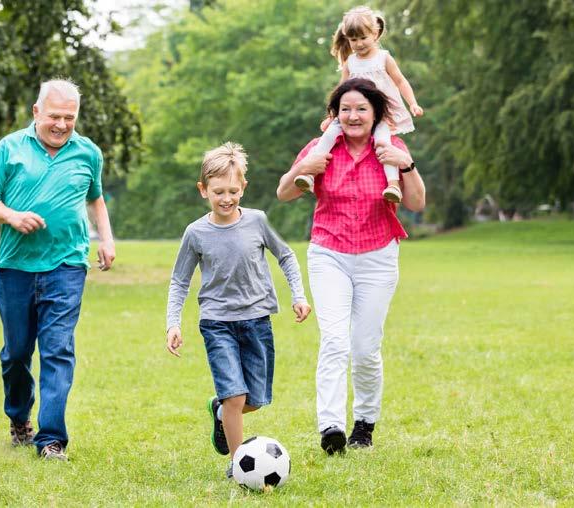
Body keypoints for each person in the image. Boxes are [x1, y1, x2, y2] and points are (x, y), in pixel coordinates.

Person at [277, 78, 425, 454]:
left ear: (375, 112)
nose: (353, 115)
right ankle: (330, 426)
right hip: (330, 254)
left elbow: (417, 203)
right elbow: (284, 192)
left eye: (361, 108)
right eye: (345, 109)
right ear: (335, 114)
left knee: (364, 348)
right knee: (334, 341)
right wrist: (306, 166)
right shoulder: (322, 148)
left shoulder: (391, 147)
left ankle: (364, 423)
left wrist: (406, 166)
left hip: (378, 257)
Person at [0, 78, 115, 461]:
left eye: (70, 117)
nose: (62, 124)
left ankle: (51, 439)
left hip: (67, 265)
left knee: (58, 350)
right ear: (37, 112)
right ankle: (19, 417)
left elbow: (96, 198)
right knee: (17, 353)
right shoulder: (9, 149)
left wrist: (107, 238)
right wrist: (12, 216)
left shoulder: (88, 152)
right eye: (55, 116)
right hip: (15, 267)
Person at [165, 142, 312, 478]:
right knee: (236, 395)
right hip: (217, 324)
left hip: (257, 322)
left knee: (256, 400)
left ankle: (219, 412)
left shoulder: (258, 221)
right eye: (218, 191)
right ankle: (237, 464)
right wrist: (173, 323)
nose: (226, 198)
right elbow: (179, 281)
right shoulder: (196, 233)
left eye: (233, 190)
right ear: (203, 190)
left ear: (244, 187)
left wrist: (298, 296)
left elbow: (286, 256)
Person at [295, 5, 423, 203]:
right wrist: (331, 117)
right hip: (351, 113)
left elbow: (400, 81)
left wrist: (412, 103)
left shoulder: (384, 58)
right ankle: (309, 175)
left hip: (379, 115)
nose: (359, 44)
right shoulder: (350, 62)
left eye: (363, 38)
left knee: (383, 143)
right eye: (353, 39)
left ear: (375, 34)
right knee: (327, 136)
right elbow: (340, 93)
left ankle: (393, 184)